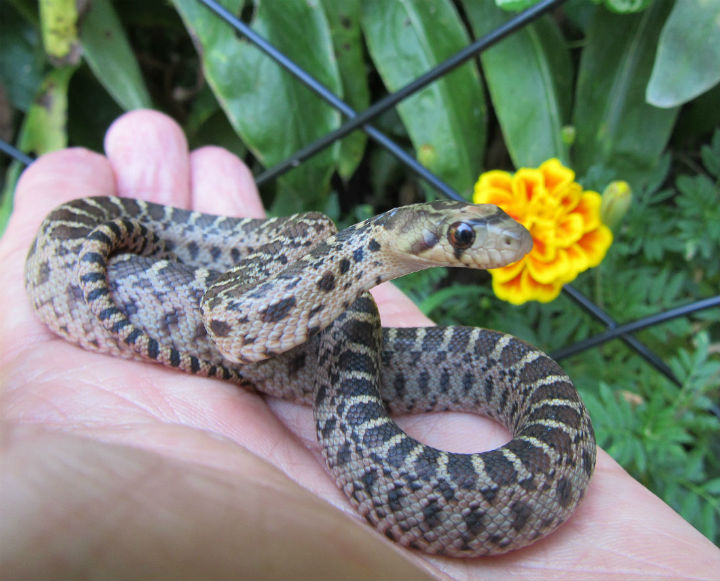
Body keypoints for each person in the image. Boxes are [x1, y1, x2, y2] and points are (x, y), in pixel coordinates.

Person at [1, 110, 718, 580]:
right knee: (351, 319)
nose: (477, 241)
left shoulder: (347, 277)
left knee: (358, 322)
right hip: (200, 268)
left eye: (474, 227)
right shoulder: (341, 265)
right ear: (404, 240)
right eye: (460, 235)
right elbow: (230, 308)